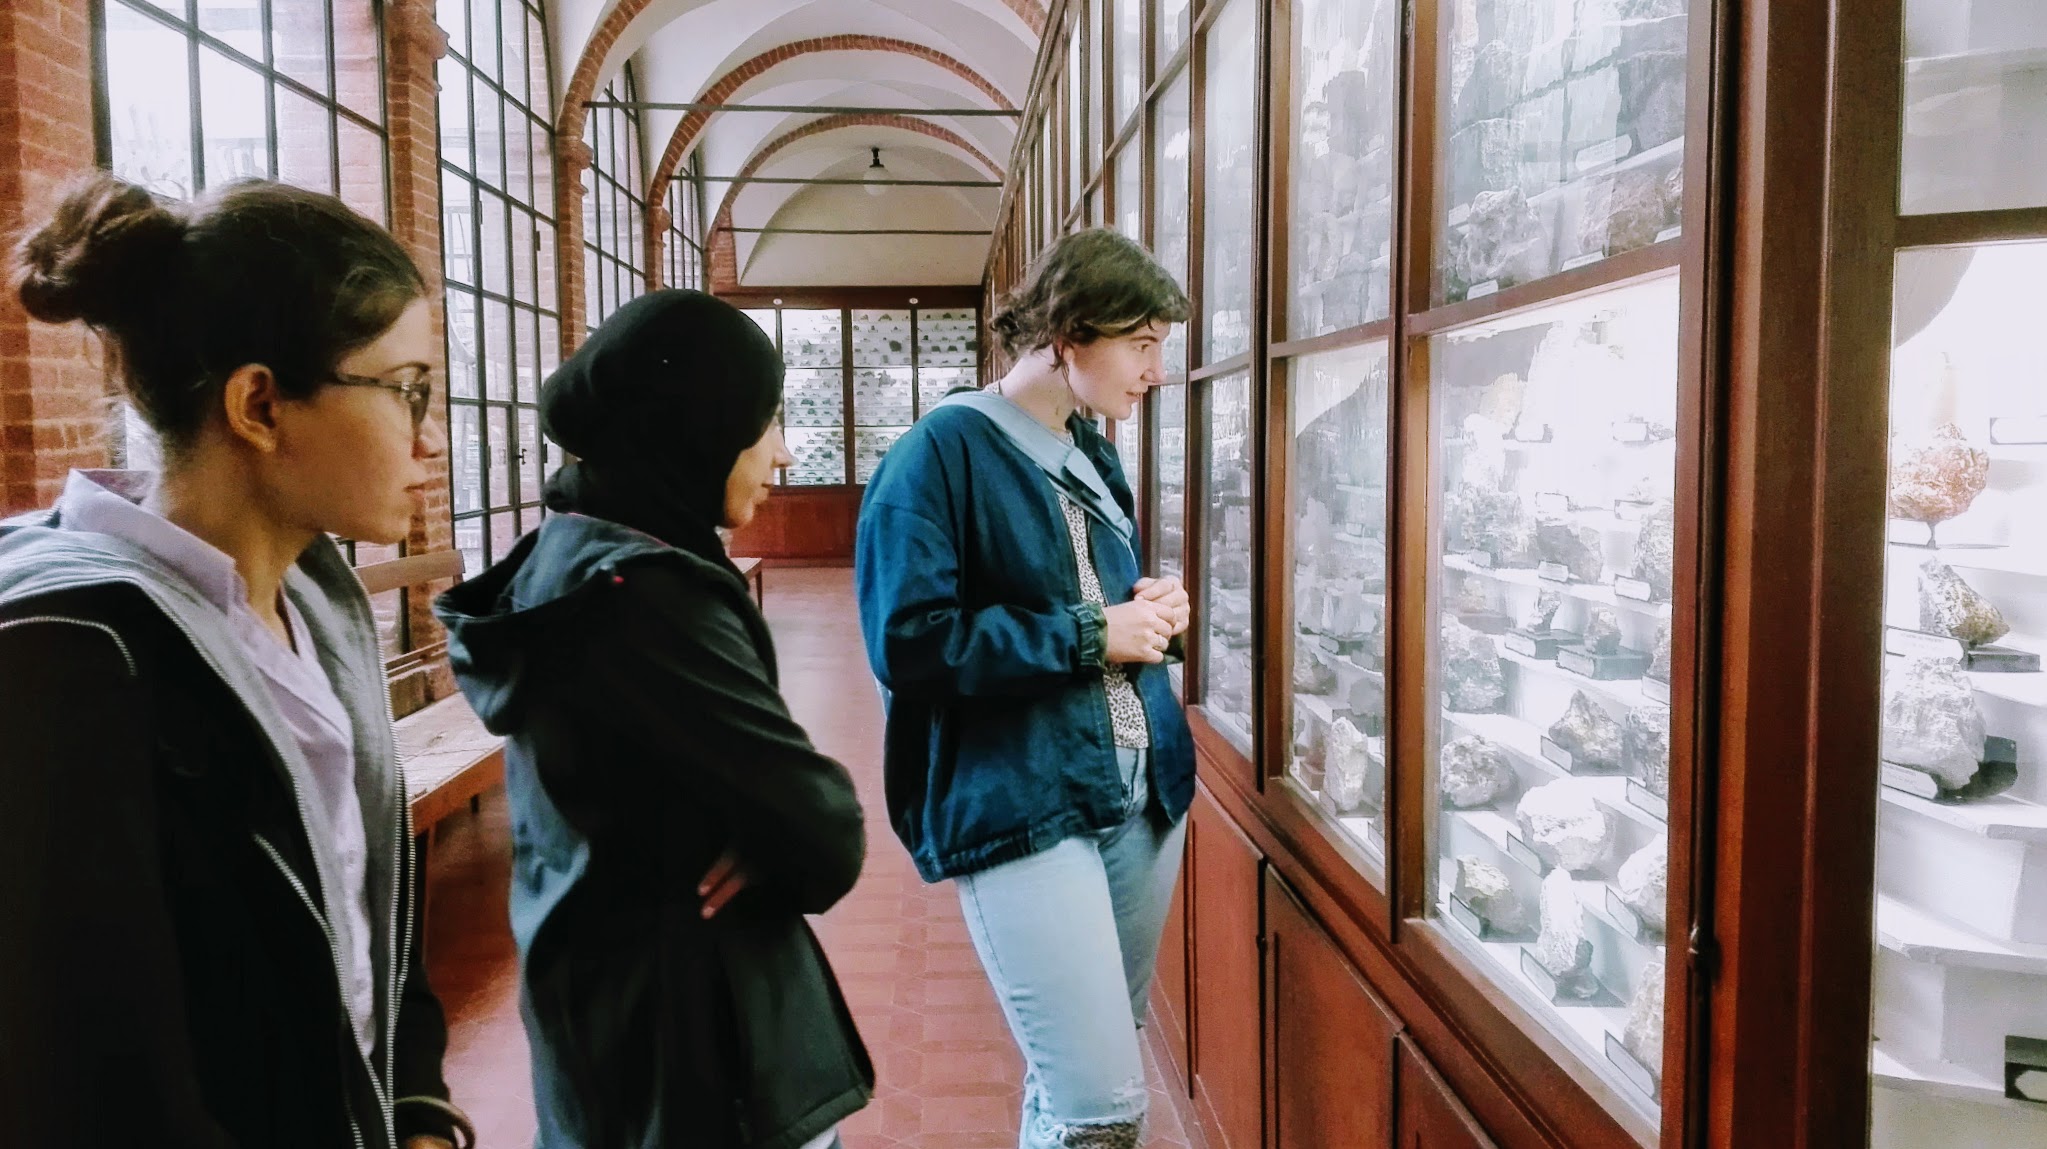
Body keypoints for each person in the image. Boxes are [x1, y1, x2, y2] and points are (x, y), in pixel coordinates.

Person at [0, 175, 469, 1148]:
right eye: (408, 390)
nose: (431, 439)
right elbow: (91, 1069)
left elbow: (368, 902)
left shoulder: (319, 601)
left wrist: (416, 1103)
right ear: (259, 403)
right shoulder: (70, 654)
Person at [434, 290, 872, 1149]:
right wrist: (776, 828)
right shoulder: (648, 596)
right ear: (695, 429)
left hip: (607, 1007)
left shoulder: (571, 550)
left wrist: (767, 821)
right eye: (763, 424)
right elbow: (824, 829)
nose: (782, 453)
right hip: (692, 1040)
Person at [854, 228, 1196, 1149]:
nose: (1156, 371)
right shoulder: (937, 453)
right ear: (1068, 333)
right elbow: (908, 643)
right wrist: (1090, 633)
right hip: (1022, 796)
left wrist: (1149, 610)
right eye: (1141, 343)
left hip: (1139, 792)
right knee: (1101, 1109)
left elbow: (1095, 599)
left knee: (1081, 1070)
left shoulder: (1089, 448)